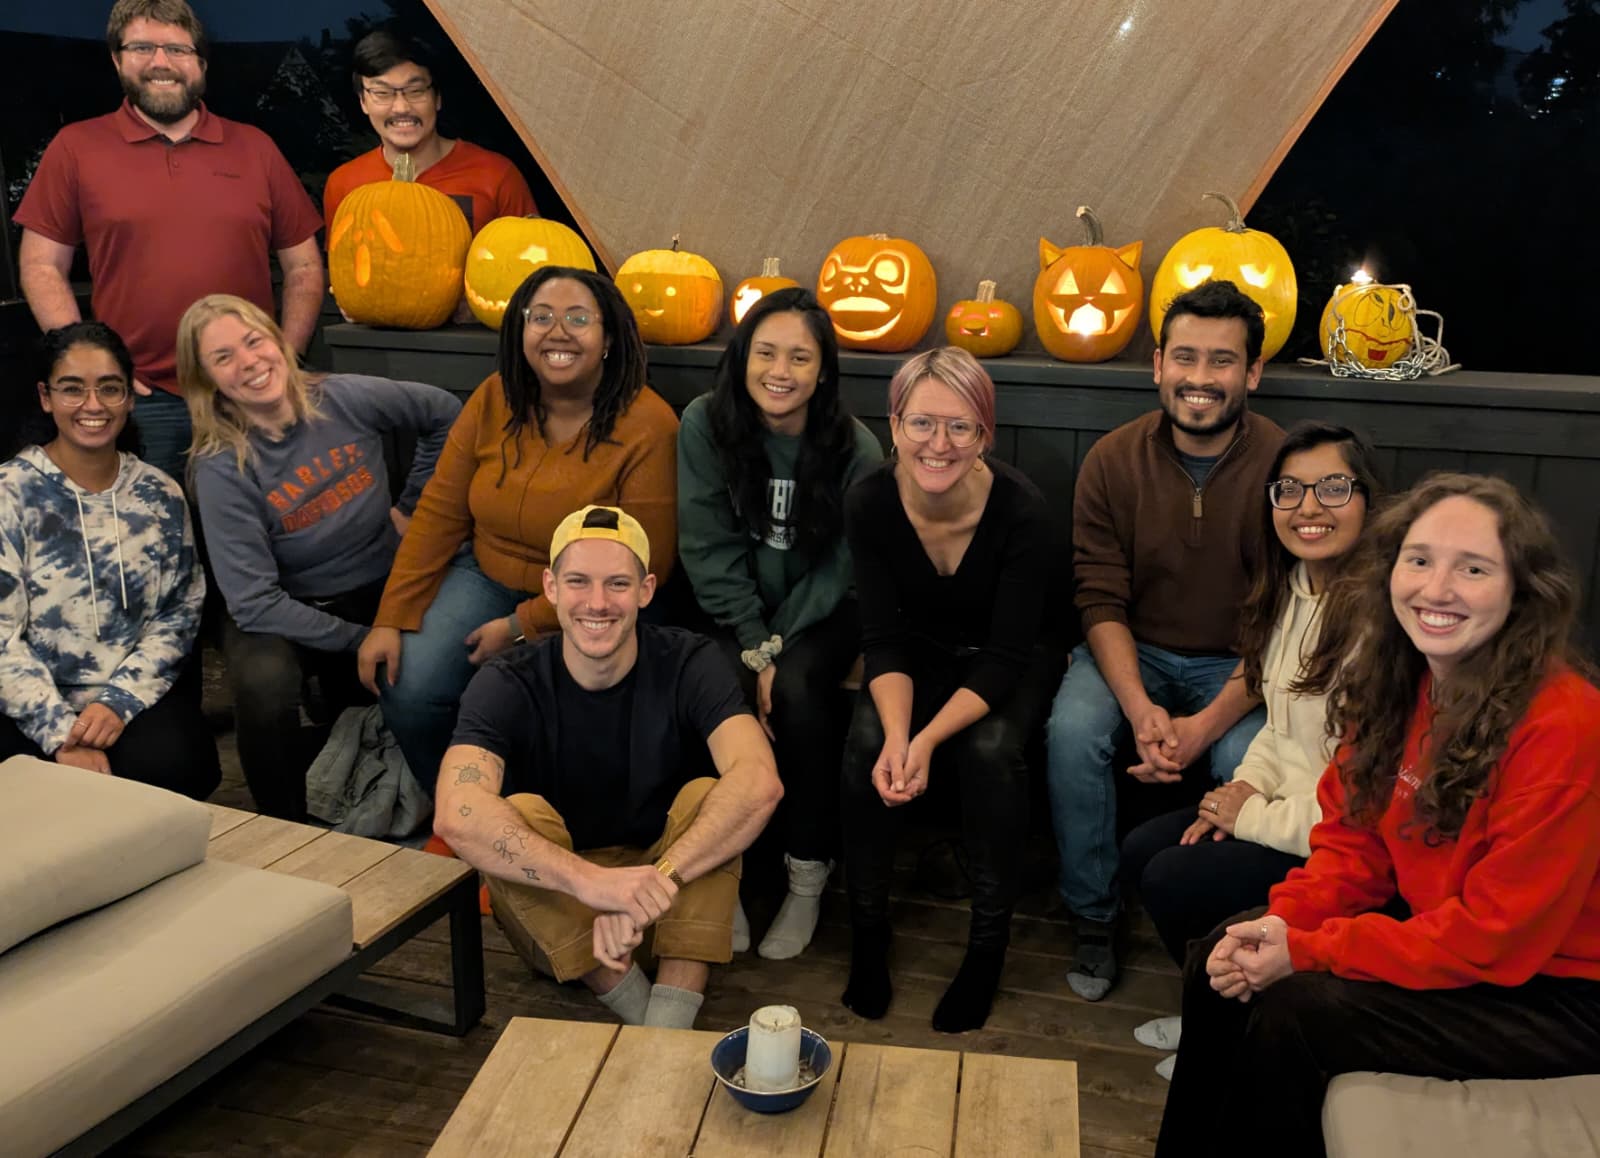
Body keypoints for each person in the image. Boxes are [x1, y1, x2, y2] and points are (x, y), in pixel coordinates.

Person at [1156, 473, 1600, 1158]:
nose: (1437, 589)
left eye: (1474, 568)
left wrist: (1309, 950)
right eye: (1419, 560)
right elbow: (1352, 845)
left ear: (1522, 590)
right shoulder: (1399, 681)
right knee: (1223, 950)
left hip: (1556, 986)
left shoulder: (1563, 723)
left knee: (1295, 1011)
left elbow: (1498, 938)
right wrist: (1285, 920)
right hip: (1444, 931)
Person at [433, 505, 782, 1028]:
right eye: (579, 582)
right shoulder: (508, 681)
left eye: (618, 583)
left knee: (713, 796)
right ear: (551, 587)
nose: (597, 603)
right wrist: (589, 884)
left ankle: (664, 1023)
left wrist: (651, 883)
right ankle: (650, 1020)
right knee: (513, 813)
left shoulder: (689, 660)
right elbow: (455, 815)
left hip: (669, 901)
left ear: (645, 590)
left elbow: (760, 781)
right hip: (561, 925)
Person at [1046, 278, 1285, 1001]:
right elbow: (1099, 597)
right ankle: (1093, 914)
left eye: (1221, 361)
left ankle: (1224, 932)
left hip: (1244, 662)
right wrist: (1144, 709)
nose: (1200, 379)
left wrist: (1203, 724)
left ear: (1252, 373)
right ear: (1158, 365)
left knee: (1248, 758)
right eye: (1186, 358)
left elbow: (1286, 625)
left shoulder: (1285, 467)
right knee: (1071, 730)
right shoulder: (1113, 460)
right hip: (1132, 646)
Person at [1118, 421, 1380, 1078]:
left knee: (1174, 877)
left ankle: (1231, 1028)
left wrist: (1252, 818)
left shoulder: (1380, 624)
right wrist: (1238, 792)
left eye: (1333, 488)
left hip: (1336, 843)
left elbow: (1364, 811)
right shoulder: (1294, 590)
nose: (1308, 507)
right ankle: (1213, 1003)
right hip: (1281, 809)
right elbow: (1280, 725)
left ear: (1370, 501)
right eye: (1289, 490)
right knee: (1144, 848)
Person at [359, 267, 679, 793]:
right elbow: (439, 513)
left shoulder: (649, 423)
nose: (558, 331)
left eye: (579, 318)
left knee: (545, 715)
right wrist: (390, 617)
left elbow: (649, 563)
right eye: (542, 317)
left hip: (591, 598)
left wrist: (520, 626)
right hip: (486, 574)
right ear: (519, 330)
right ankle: (458, 807)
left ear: (609, 338)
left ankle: (527, 820)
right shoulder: (493, 397)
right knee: (410, 688)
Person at [839, 346, 1067, 1034]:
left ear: (984, 435)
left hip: (1012, 658)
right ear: (894, 425)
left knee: (990, 750)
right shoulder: (870, 499)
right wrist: (901, 740)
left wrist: (929, 742)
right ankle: (868, 932)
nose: (939, 444)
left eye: (960, 428)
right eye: (922, 425)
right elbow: (881, 636)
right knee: (866, 746)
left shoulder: (1022, 510)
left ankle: (986, 948)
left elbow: (1004, 655)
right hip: (915, 654)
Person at [176, 293, 462, 819]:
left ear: (279, 341)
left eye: (253, 341)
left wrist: (411, 507)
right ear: (207, 381)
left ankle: (427, 799)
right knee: (262, 684)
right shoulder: (220, 467)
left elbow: (446, 414)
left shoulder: (344, 397)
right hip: (285, 608)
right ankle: (282, 823)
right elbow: (255, 603)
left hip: (379, 583)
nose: (248, 362)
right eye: (223, 358)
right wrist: (361, 641)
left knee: (425, 670)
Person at [14, 0, 324, 484]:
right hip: (143, 400)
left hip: (248, 391)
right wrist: (92, 367)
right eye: (142, 46)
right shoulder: (76, 148)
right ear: (117, 59)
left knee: (259, 536)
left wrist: (285, 356)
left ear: (200, 63)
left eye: (178, 49)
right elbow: (39, 265)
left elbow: (304, 266)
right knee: (155, 541)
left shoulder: (255, 148)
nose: (161, 62)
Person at [677, 287, 882, 960]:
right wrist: (752, 646)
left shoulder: (854, 445)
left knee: (799, 694)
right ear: (742, 359)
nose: (781, 370)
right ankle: (722, 875)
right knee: (711, 687)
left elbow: (843, 565)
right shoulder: (706, 424)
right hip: (733, 608)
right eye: (765, 352)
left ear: (824, 370)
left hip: (822, 612)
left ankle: (807, 873)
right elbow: (708, 548)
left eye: (800, 356)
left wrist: (775, 650)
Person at [0, 322, 218, 798]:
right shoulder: (9, 493)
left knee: (180, 765)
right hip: (25, 703)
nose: (93, 405)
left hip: (129, 699)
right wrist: (61, 733)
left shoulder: (161, 494)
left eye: (109, 389)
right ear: (45, 396)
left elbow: (179, 613)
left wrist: (117, 702)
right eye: (72, 389)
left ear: (130, 398)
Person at [322, 29, 538, 237]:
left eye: (415, 91)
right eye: (382, 93)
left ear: (437, 98)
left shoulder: (497, 175)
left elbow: (533, 263)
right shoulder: (344, 185)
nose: (401, 107)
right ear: (363, 102)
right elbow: (343, 267)